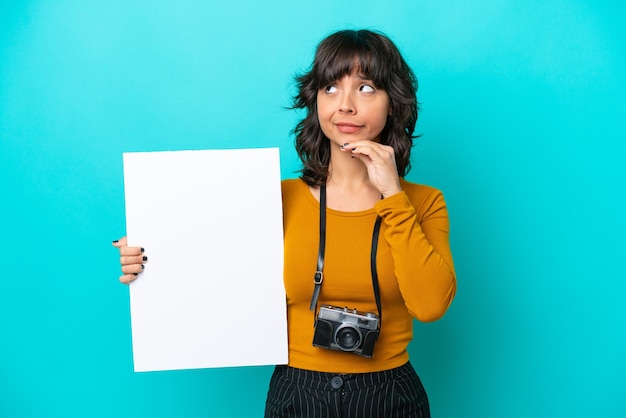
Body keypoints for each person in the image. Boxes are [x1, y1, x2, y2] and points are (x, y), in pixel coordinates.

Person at [113, 29, 456, 418]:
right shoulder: (273, 198)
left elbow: (430, 306)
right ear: (314, 102)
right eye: (330, 88)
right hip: (297, 390)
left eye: (365, 88)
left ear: (392, 103)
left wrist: (393, 196)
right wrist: (151, 257)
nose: (345, 105)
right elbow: (214, 270)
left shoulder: (423, 203)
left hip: (389, 394)